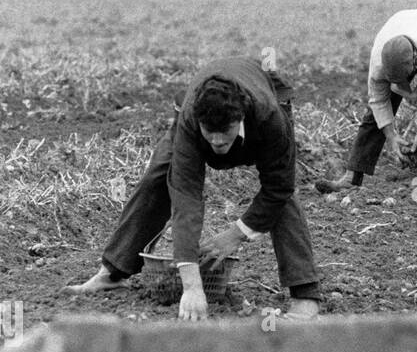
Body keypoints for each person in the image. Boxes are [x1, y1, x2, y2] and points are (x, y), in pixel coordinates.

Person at [67, 56, 321, 321]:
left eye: (225, 132)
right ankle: (113, 272)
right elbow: (186, 197)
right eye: (209, 132)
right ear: (198, 121)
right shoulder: (190, 118)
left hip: (263, 105)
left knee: (283, 195)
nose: (217, 141)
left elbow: (278, 187)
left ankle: (305, 296)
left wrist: (235, 234)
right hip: (197, 114)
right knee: (159, 175)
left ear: (241, 117)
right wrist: (192, 286)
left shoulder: (270, 117)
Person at [316, 9, 417, 193]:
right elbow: (378, 101)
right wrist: (391, 136)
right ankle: (351, 177)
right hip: (399, 29)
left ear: (414, 61)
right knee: (374, 114)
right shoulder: (378, 62)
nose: (404, 88)